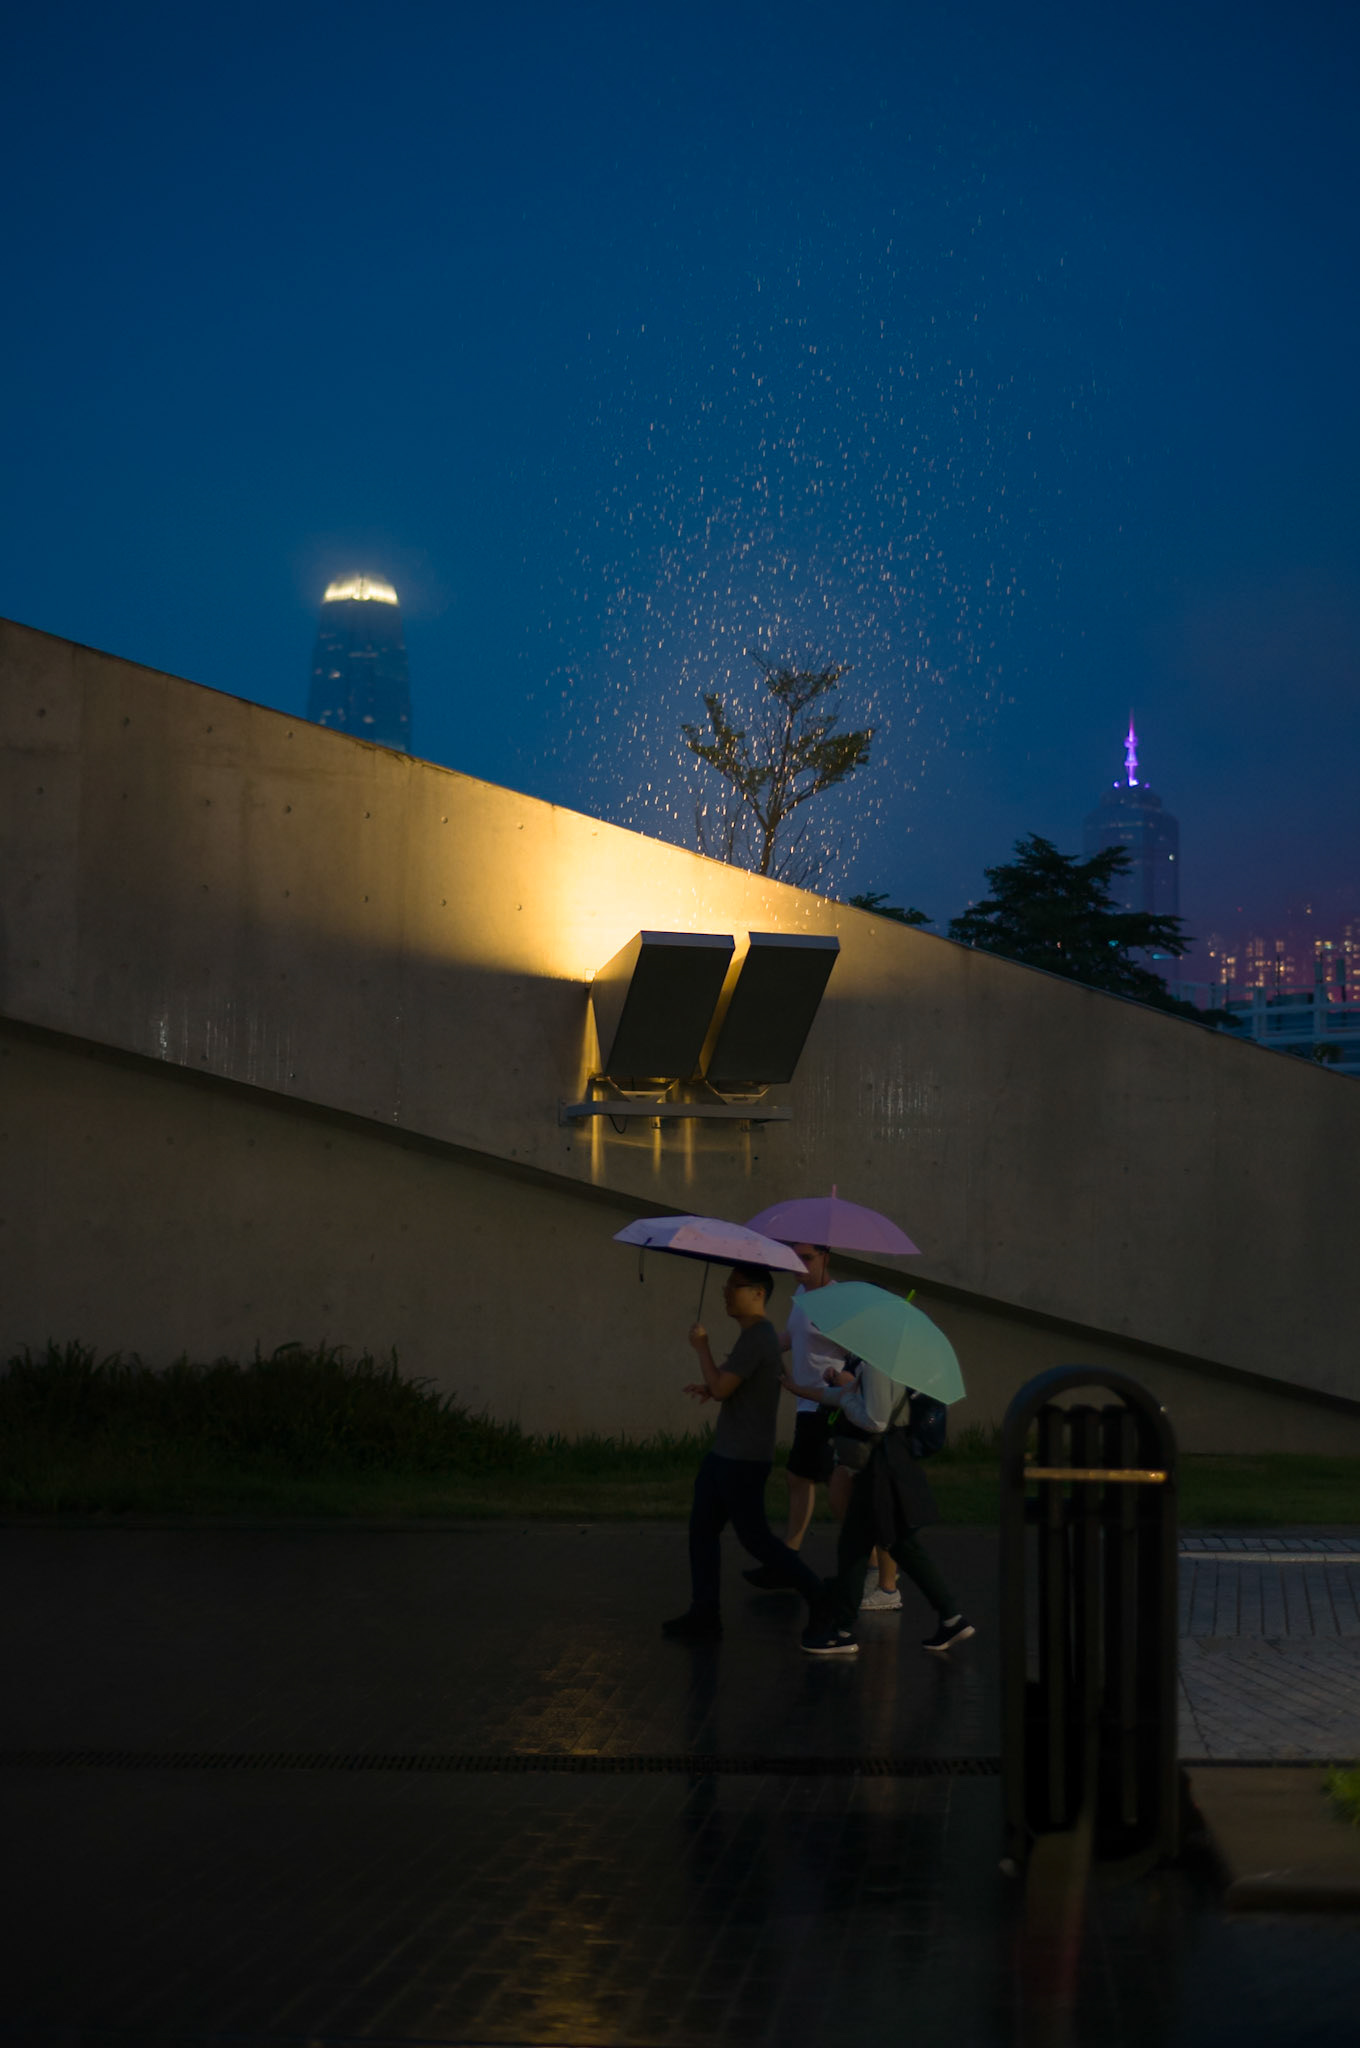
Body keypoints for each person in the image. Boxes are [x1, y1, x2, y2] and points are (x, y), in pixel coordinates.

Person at [662, 1263, 830, 1641]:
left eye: (734, 1287)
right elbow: (736, 1381)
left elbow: (723, 1387)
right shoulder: (754, 1337)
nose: (726, 1292)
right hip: (726, 1453)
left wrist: (702, 1348)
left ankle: (820, 1596)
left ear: (758, 1293)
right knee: (702, 1530)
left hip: (743, 1458)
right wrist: (713, 1381)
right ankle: (704, 1612)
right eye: (726, 1286)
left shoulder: (759, 1336)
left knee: (756, 1539)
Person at [785, 1350, 974, 1658]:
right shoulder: (879, 1362)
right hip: (885, 1463)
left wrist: (846, 1399)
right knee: (897, 1544)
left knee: (856, 1545)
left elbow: (876, 1418)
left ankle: (842, 1632)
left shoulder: (876, 1364)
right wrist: (813, 1391)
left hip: (879, 1465)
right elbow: (849, 1396)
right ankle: (951, 1618)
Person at [745, 1240, 899, 1612]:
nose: (798, 1264)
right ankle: (791, 1561)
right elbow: (793, 1337)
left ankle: (880, 1573)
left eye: (807, 1257)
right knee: (801, 1478)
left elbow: (857, 1350)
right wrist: (758, 1346)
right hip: (808, 1403)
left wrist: (843, 1376)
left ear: (825, 1257)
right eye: (794, 1257)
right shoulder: (801, 1295)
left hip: (829, 1405)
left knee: (841, 1491)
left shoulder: (838, 1301)